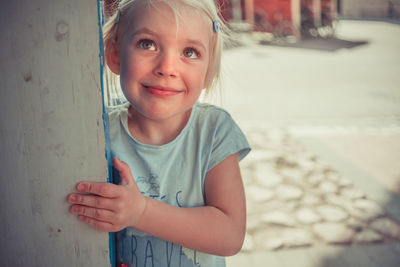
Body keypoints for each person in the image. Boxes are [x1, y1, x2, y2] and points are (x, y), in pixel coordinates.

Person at [67, 0, 250, 266]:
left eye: (189, 52)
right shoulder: (97, 131)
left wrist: (140, 212)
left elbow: (230, 235)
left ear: (208, 70)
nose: (167, 67)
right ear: (115, 54)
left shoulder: (214, 132)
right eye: (147, 44)